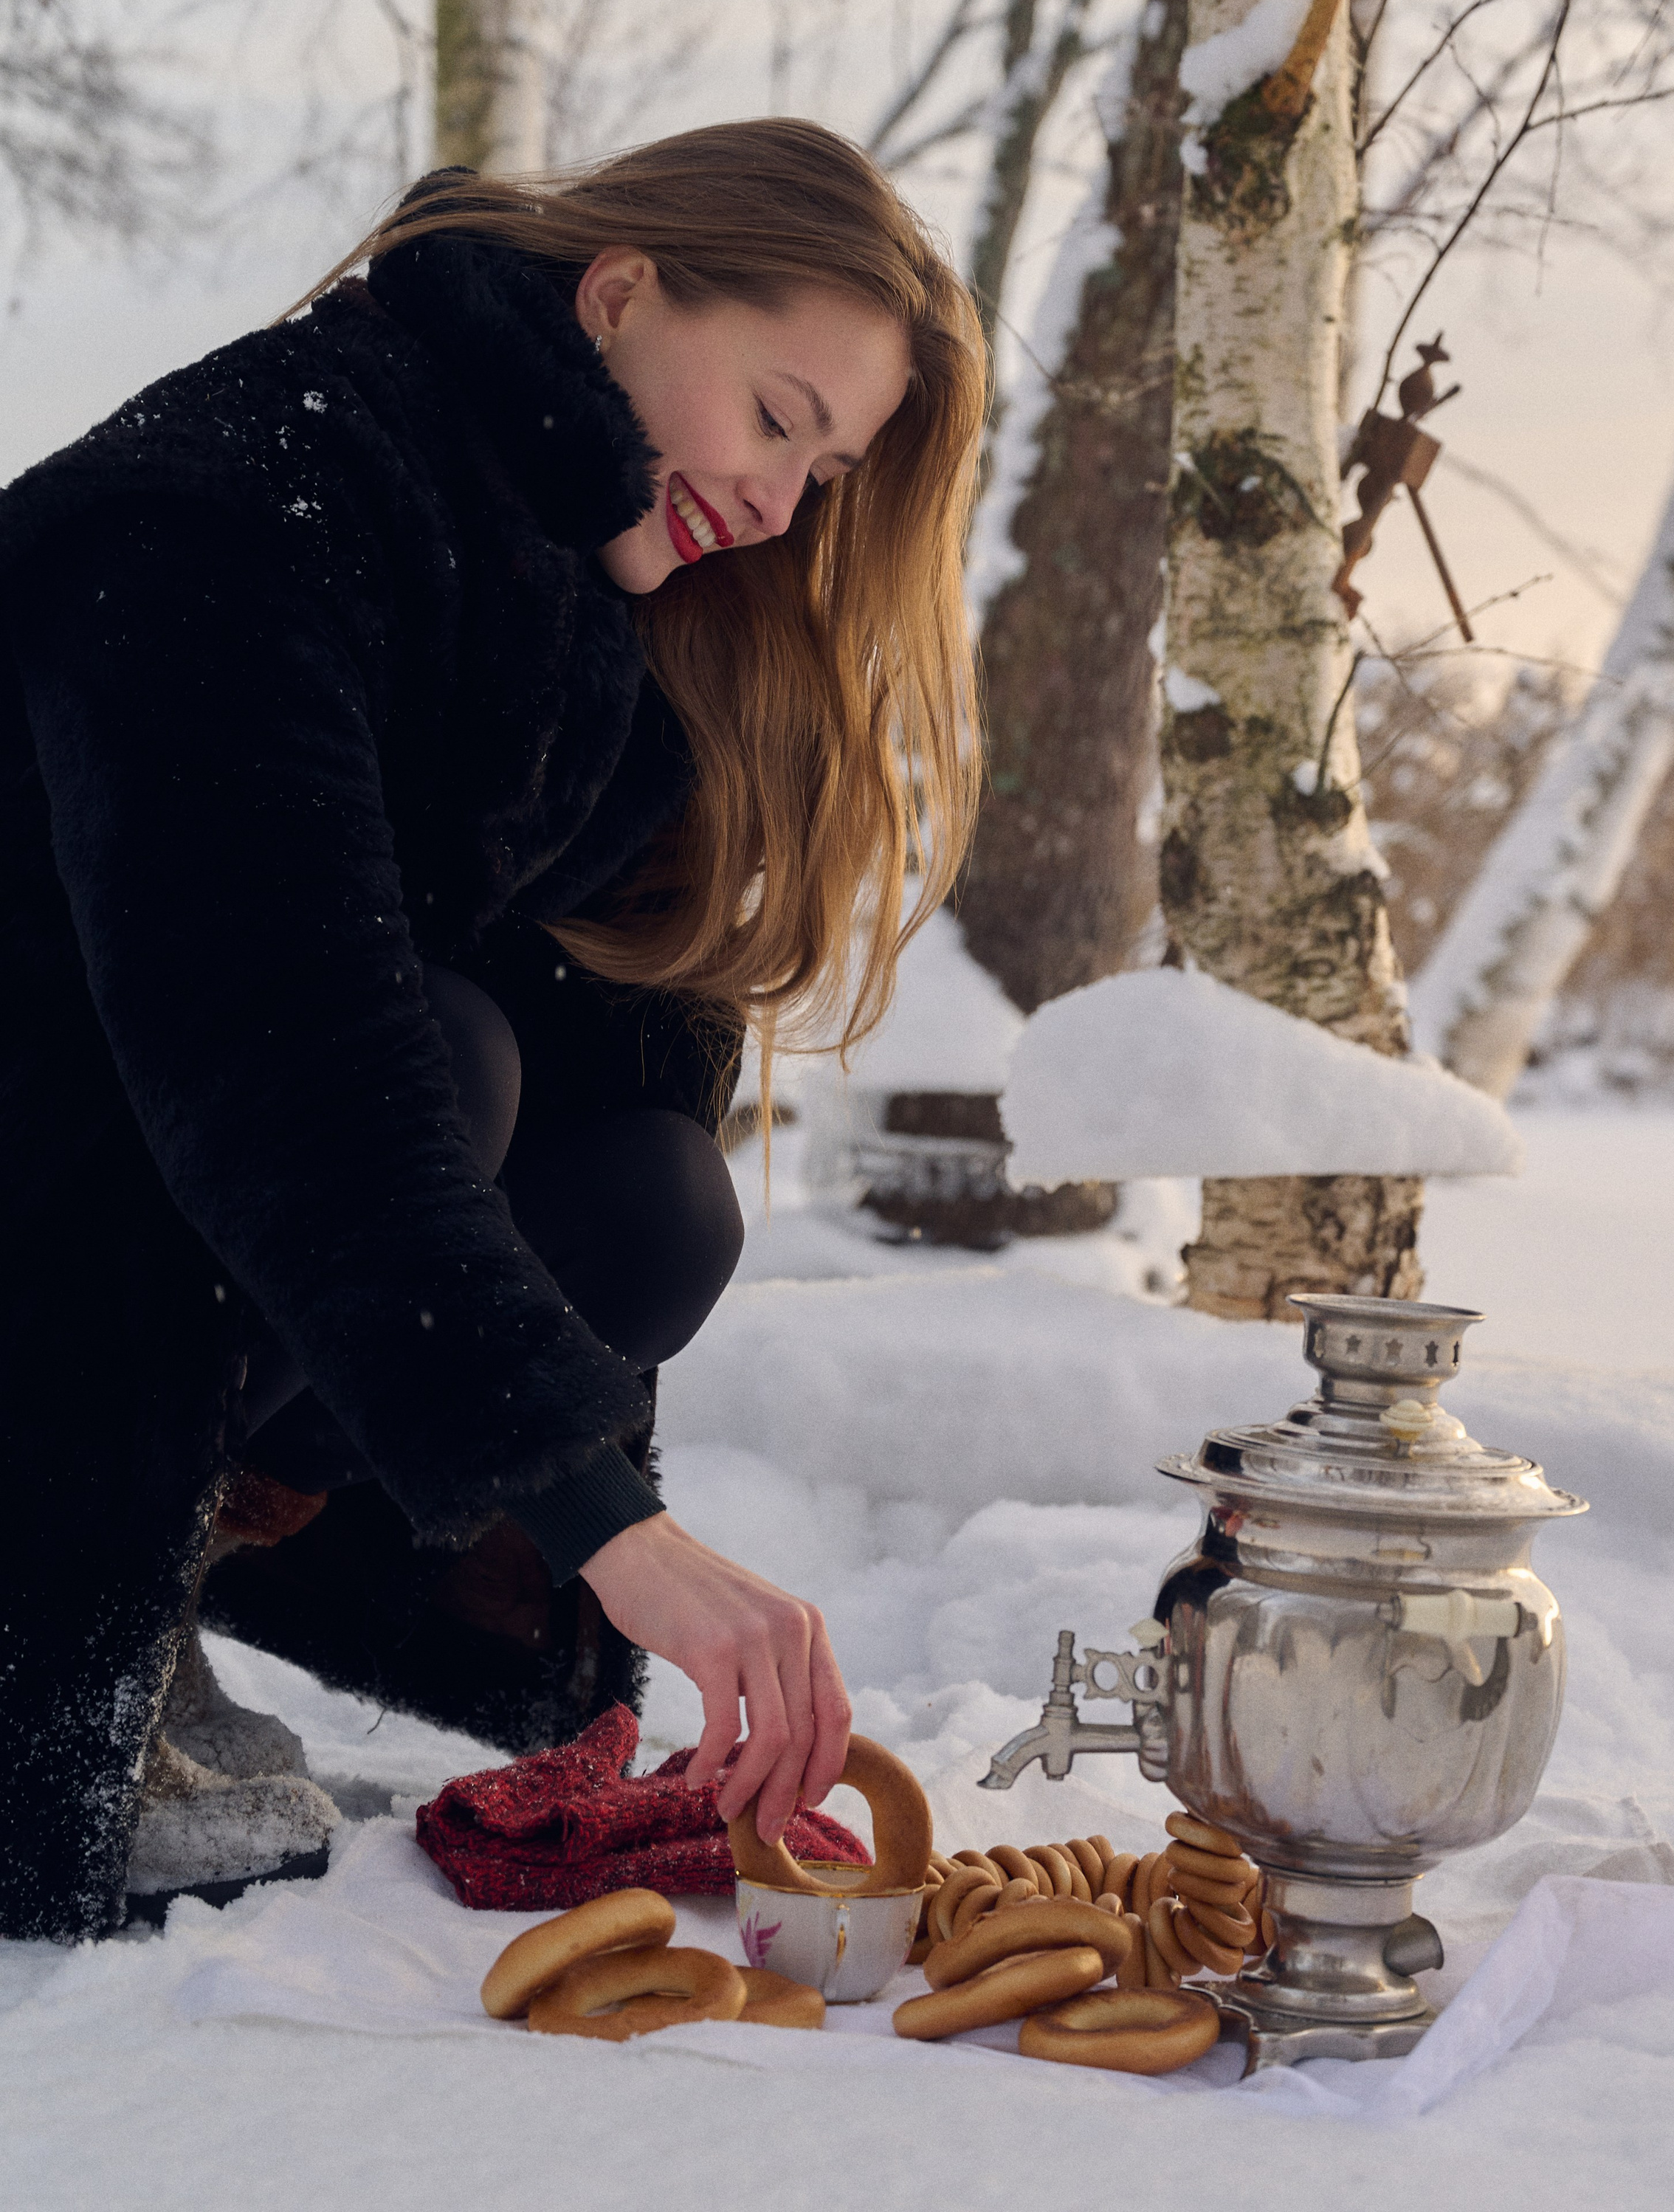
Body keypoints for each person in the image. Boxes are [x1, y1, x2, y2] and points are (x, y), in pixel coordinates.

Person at [0, 120, 986, 1941]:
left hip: (118, 1221)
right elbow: (287, 1063)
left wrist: (573, 1580)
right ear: (617, 295)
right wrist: (602, 1514)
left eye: (825, 470)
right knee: (430, 1056)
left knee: (646, 1189)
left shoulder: (558, 596)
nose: (781, 505)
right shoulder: (237, 501)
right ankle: (54, 1630)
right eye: (775, 418)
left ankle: (162, 1574)